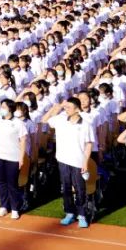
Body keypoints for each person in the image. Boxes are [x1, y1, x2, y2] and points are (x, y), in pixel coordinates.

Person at [43, 97, 95, 228]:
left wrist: (85, 162)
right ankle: (69, 213)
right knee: (66, 187)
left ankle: (82, 215)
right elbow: (44, 120)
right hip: (63, 160)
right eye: (66, 108)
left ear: (77, 109)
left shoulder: (86, 124)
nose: (66, 110)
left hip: (78, 162)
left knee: (80, 189)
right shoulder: (60, 120)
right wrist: (58, 107)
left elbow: (89, 144)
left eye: (69, 107)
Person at [0, 99, 28, 219]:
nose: (1, 109)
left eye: (4, 107)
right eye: (1, 106)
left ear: (10, 109)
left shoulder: (18, 123)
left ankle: (15, 208)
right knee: (1, 182)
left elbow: (23, 140)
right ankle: (3, 206)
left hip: (13, 157)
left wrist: (21, 158)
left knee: (12, 183)